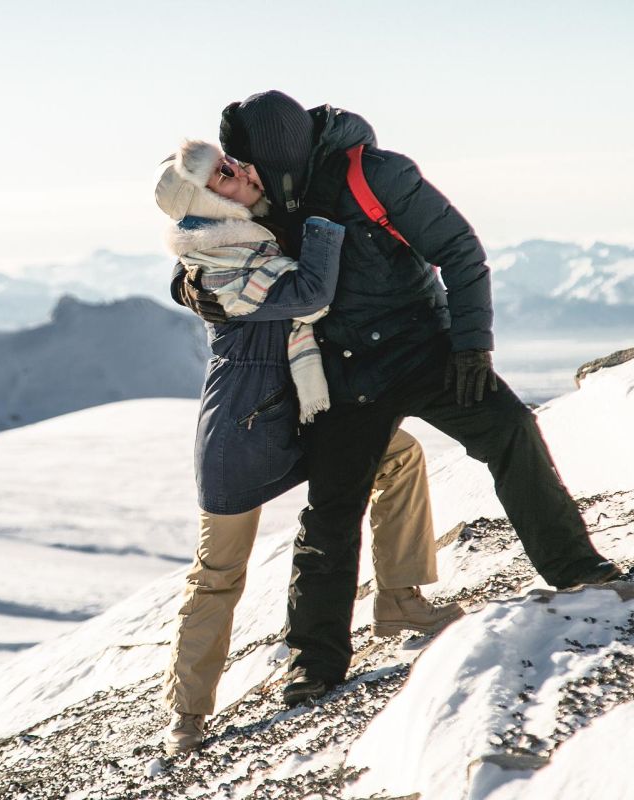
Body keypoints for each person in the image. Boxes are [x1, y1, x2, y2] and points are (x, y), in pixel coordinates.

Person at [174, 90, 623, 707]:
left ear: (278, 155)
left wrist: (471, 347)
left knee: (510, 429)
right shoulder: (269, 194)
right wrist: (186, 283)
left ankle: (577, 570)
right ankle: (315, 664)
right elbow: (207, 240)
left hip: (424, 347)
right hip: (345, 371)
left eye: (250, 162)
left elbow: (461, 252)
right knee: (332, 510)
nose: (244, 174)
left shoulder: (375, 175)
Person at [153, 139, 463, 755]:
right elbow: (309, 295)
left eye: (232, 160)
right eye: (222, 171)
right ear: (205, 201)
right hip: (243, 430)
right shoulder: (215, 261)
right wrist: (326, 220)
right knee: (218, 574)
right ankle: (186, 715)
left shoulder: (249, 235)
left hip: (302, 407)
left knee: (399, 457)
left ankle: (399, 599)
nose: (239, 168)